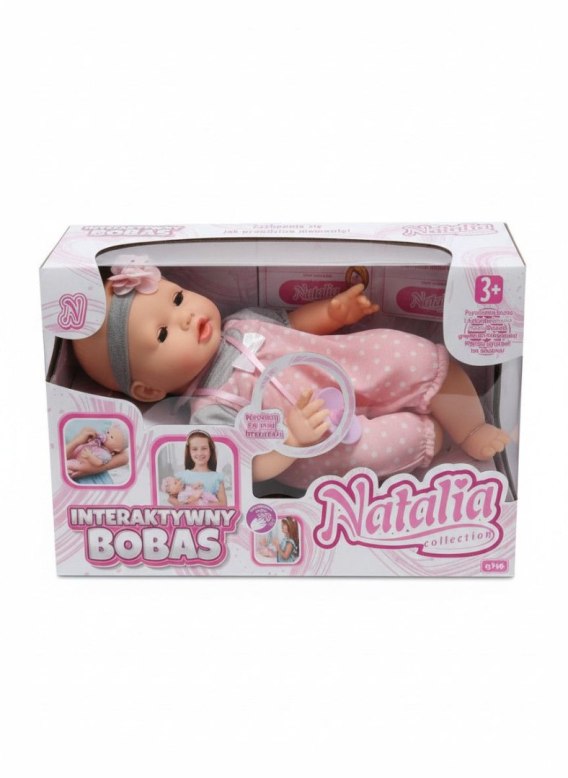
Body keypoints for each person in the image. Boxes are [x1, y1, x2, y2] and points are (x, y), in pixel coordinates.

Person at [72, 261, 509, 488]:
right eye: (164, 333)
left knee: (408, 355)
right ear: (149, 389)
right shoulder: (208, 416)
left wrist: (334, 312)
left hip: (346, 367)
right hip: (319, 446)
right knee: (382, 447)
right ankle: (436, 438)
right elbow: (250, 469)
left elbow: (295, 322)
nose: (185, 317)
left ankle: (470, 426)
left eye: (178, 298)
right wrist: (293, 440)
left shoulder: (241, 321)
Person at [169, 430, 227, 506]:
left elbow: (223, 504)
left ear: (210, 450)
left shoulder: (217, 478)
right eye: (194, 449)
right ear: (189, 452)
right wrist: (186, 504)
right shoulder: (181, 477)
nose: (199, 453)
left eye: (204, 448)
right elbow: (171, 498)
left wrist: (201, 503)